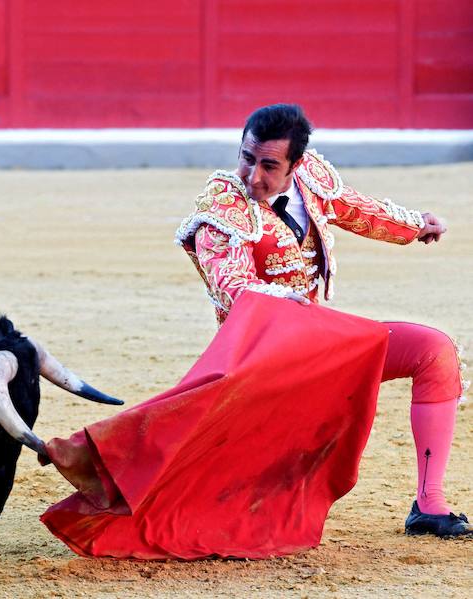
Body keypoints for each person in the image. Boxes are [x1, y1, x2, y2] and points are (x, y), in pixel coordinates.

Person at [174, 103, 469, 537]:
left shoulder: (311, 180)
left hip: (318, 347)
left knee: (434, 352)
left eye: (269, 165)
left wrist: (414, 225)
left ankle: (430, 504)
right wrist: (284, 301)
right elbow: (230, 284)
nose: (253, 176)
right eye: (247, 157)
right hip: (261, 366)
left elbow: (354, 209)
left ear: (296, 164)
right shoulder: (221, 208)